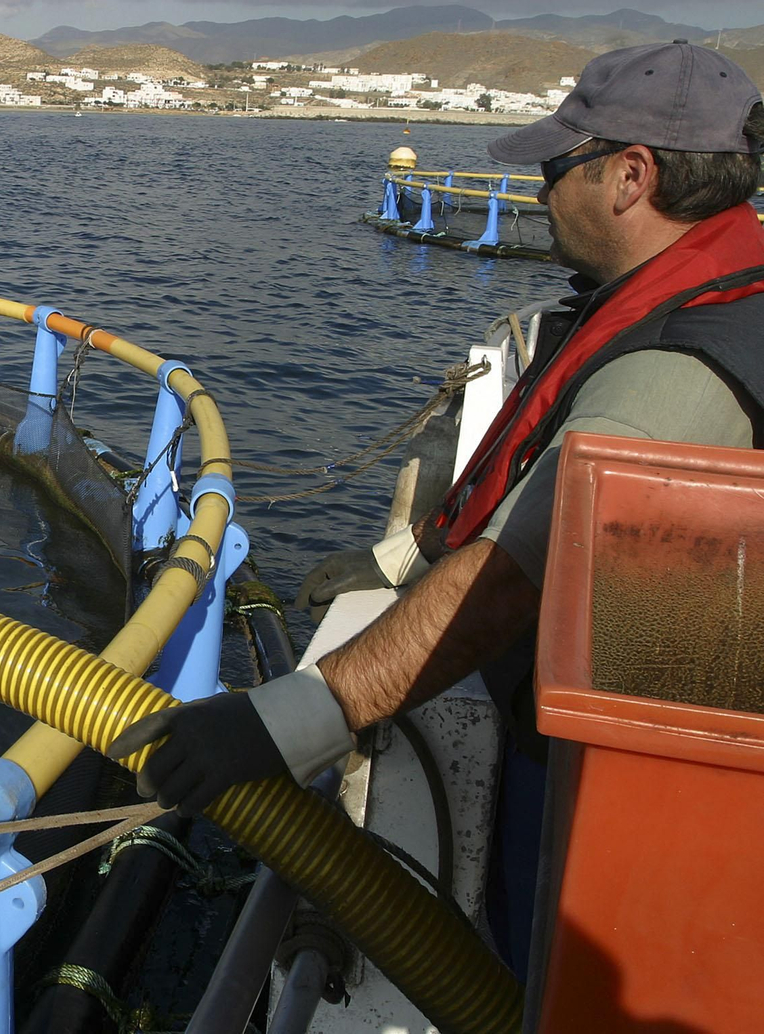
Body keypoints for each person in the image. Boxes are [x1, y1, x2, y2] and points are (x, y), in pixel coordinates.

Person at [108, 40, 764, 968]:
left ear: (630, 175)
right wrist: (400, 558)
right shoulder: (715, 289)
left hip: (624, 788)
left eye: (554, 167)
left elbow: (507, 581)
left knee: (539, 966)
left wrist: (275, 722)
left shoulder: (672, 371)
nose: (540, 192)